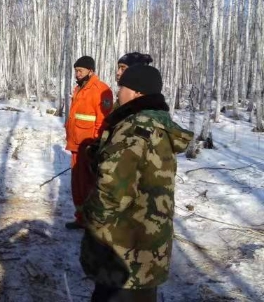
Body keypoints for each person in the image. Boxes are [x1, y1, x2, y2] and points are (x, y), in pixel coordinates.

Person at [80, 65, 194, 302]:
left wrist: (90, 217)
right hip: (148, 247)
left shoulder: (133, 128)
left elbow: (112, 190)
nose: (118, 91)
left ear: (137, 92)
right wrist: (100, 152)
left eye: (122, 87)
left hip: (124, 248)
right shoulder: (158, 125)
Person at [65, 56, 113, 229]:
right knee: (77, 185)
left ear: (91, 71)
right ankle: (81, 218)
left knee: (89, 185)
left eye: (80, 71)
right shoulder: (79, 88)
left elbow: (103, 122)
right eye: (76, 71)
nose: (77, 74)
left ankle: (92, 221)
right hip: (75, 145)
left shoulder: (101, 90)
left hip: (88, 147)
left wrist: (96, 145)